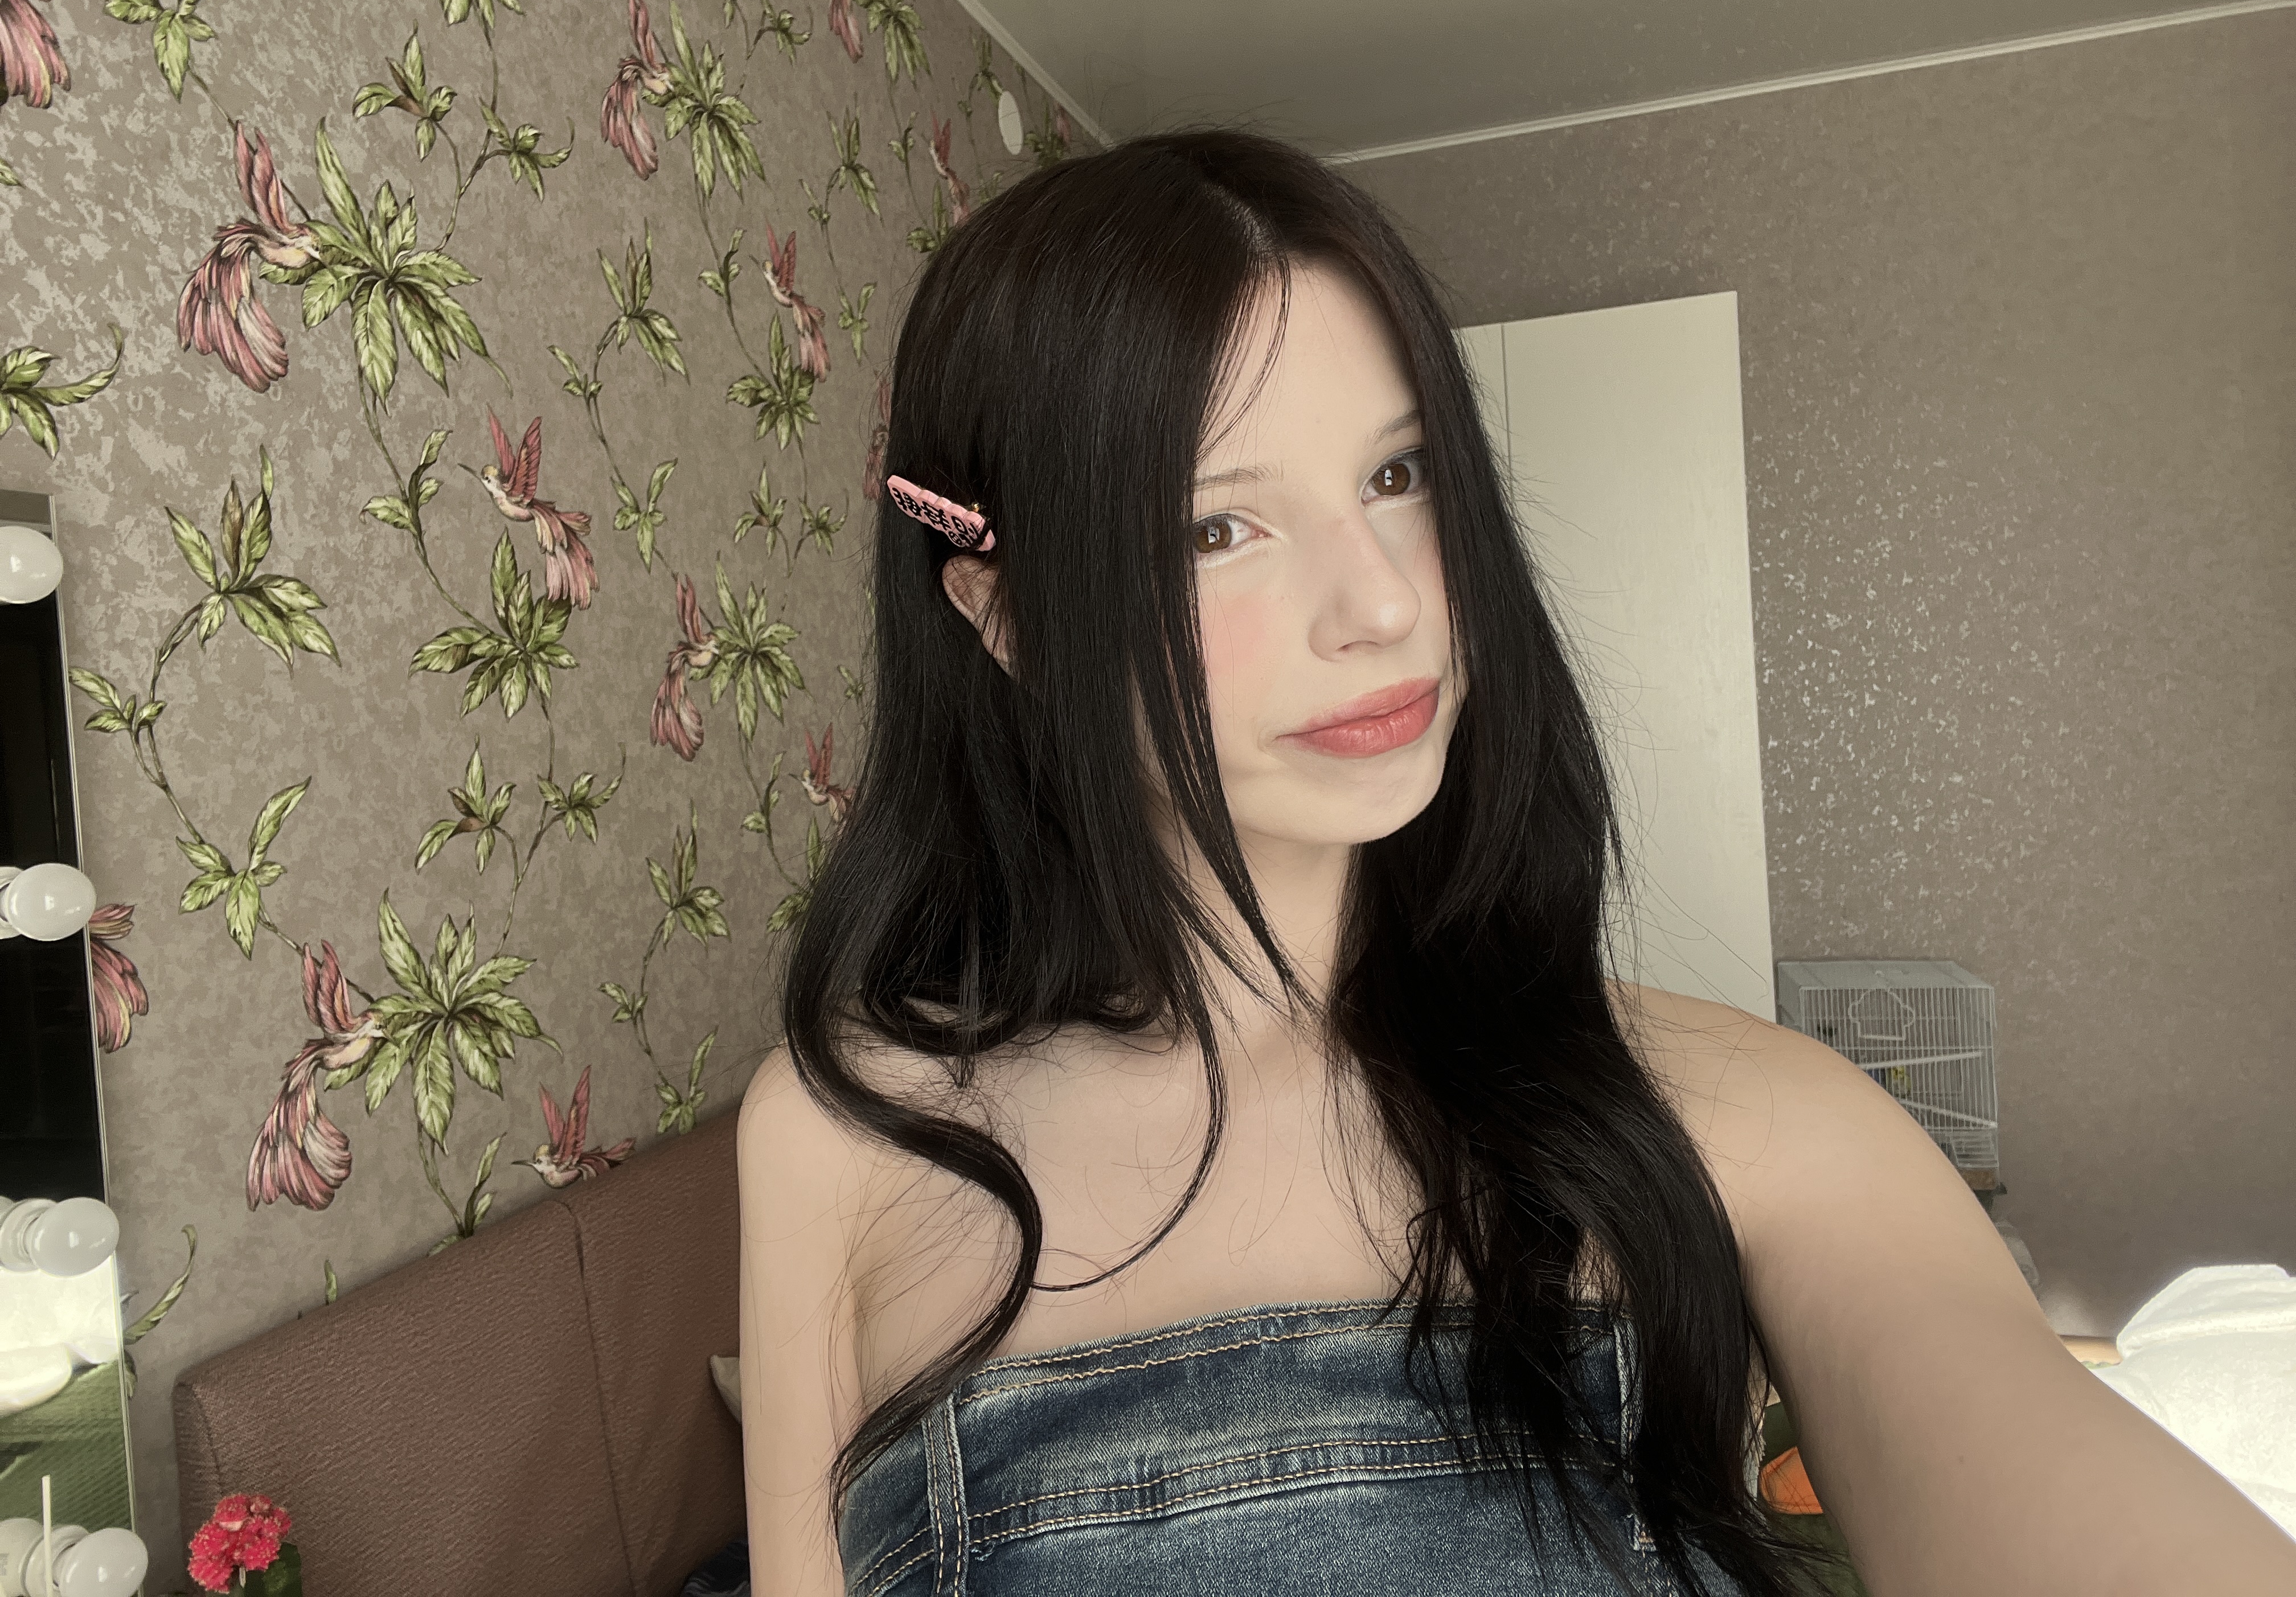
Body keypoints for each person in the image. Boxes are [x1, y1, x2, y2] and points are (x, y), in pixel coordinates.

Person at [736, 128, 2296, 1596]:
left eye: (1397, 475)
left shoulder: (1740, 1120)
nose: (1386, 605)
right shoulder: (845, 1139)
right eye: (1215, 529)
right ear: (1005, 617)